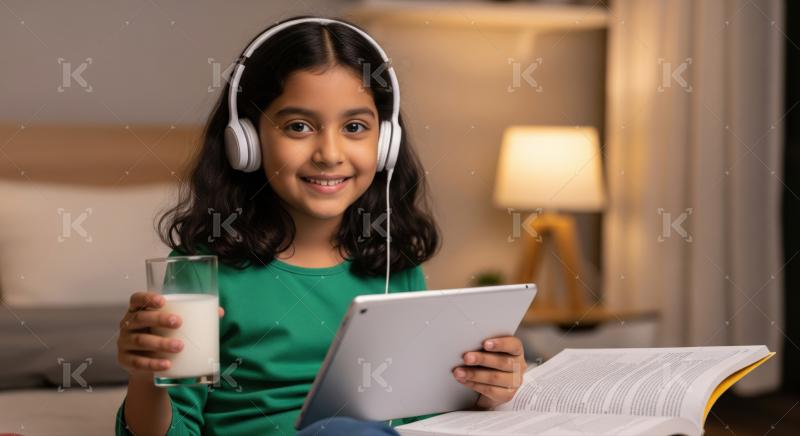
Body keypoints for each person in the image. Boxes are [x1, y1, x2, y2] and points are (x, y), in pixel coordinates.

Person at [114, 15, 526, 435]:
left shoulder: (393, 265)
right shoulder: (201, 274)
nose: (329, 154)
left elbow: (417, 417)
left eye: (354, 127)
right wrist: (147, 372)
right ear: (246, 141)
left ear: (385, 143)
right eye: (298, 127)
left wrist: (482, 391)